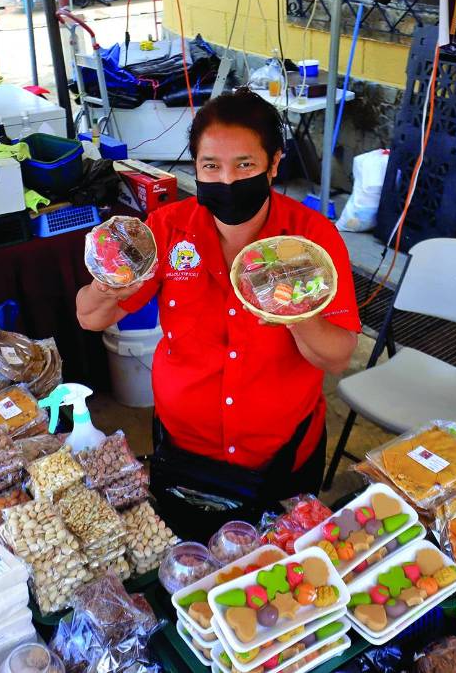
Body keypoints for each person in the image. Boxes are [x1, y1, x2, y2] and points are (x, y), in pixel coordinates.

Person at [75, 90, 360, 538]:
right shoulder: (169, 229)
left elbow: (338, 356)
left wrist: (297, 312)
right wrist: (108, 283)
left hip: (282, 455)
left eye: (244, 165)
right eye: (211, 166)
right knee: (187, 562)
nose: (227, 180)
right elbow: (89, 317)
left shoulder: (310, 239)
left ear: (274, 163)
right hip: (184, 451)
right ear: (196, 167)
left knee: (276, 578)